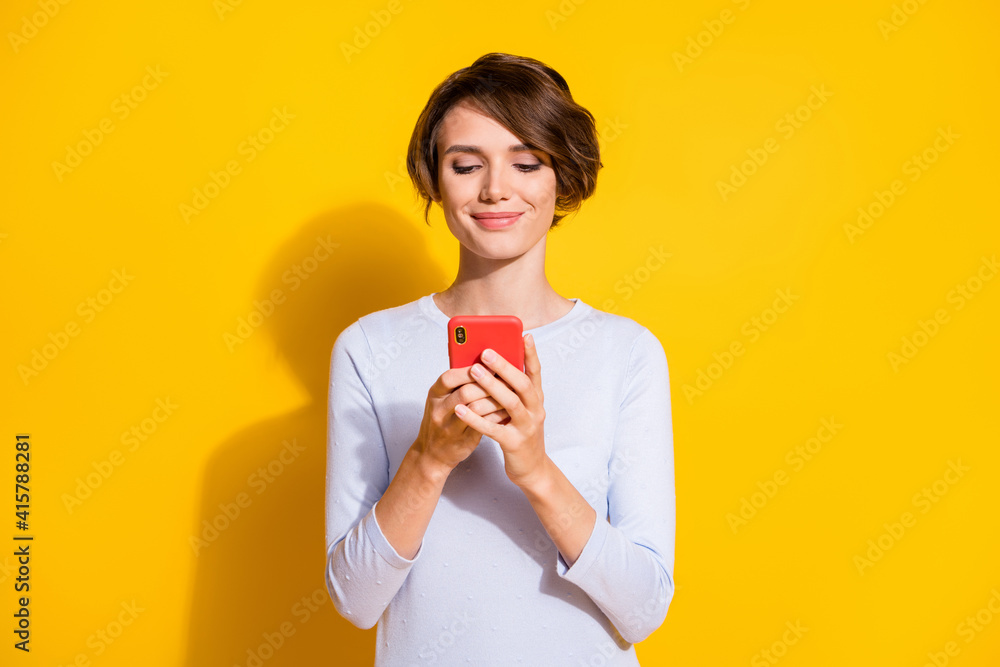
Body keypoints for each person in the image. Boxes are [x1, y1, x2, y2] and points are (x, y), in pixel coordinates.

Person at [325, 52, 676, 665]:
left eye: (526, 162)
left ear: (562, 178)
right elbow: (355, 600)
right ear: (435, 179)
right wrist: (428, 461)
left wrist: (535, 468)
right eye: (466, 165)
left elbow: (645, 609)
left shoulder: (627, 352)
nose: (495, 189)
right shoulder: (368, 348)